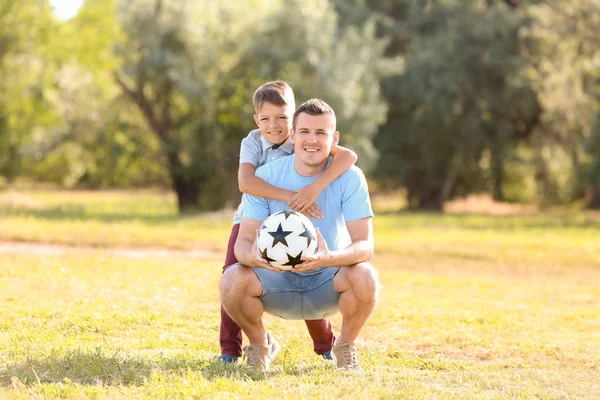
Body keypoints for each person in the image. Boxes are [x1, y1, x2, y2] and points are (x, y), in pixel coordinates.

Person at [220, 98, 378, 373]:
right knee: (232, 279)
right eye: (304, 132)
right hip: (275, 281)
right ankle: (259, 345)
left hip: (326, 281)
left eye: (321, 133)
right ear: (292, 135)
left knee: (366, 276)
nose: (312, 140)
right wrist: (256, 258)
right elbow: (243, 244)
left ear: (334, 137)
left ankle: (345, 346)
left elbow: (365, 246)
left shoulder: (351, 178)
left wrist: (329, 258)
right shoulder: (265, 176)